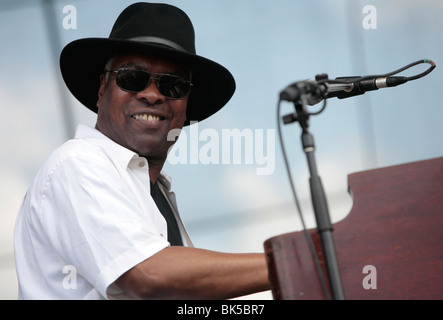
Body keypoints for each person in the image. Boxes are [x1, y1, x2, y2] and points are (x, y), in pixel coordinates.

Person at [14, 2, 270, 299]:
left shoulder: (157, 193)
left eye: (172, 85)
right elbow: (151, 275)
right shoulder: (77, 163)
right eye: (132, 78)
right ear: (102, 88)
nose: (151, 94)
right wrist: (295, 259)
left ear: (186, 104)